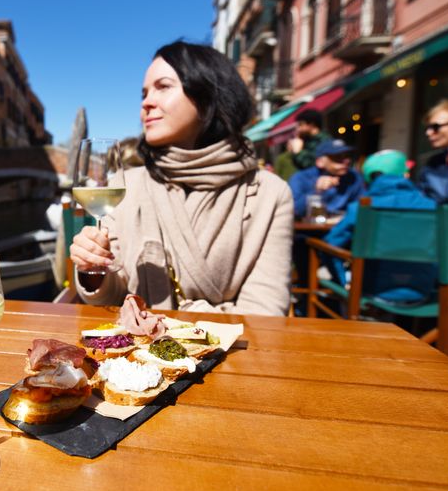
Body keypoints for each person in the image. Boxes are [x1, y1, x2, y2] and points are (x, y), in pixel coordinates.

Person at [69, 41, 293, 315]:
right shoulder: (126, 184)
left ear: (208, 94)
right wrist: (93, 269)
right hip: (135, 353)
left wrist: (183, 326)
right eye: (144, 93)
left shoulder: (269, 194)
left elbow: (265, 313)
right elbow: (115, 297)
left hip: (228, 355)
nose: (146, 103)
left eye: (163, 87)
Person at [323, 150, 437, 304]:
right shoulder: (434, 207)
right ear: (405, 175)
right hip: (424, 291)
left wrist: (344, 282)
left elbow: (330, 246)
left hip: (370, 290)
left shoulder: (362, 207)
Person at [288, 138, 365, 218]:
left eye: (347, 156)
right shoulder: (300, 178)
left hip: (343, 227)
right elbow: (294, 211)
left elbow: (361, 207)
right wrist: (317, 191)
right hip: (309, 229)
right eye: (337, 157)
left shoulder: (354, 177)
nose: (346, 161)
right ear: (320, 162)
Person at [274, 109, 330, 181]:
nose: (298, 129)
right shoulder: (307, 140)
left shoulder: (323, 141)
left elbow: (311, 166)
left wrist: (298, 152)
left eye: (300, 124)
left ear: (311, 124)